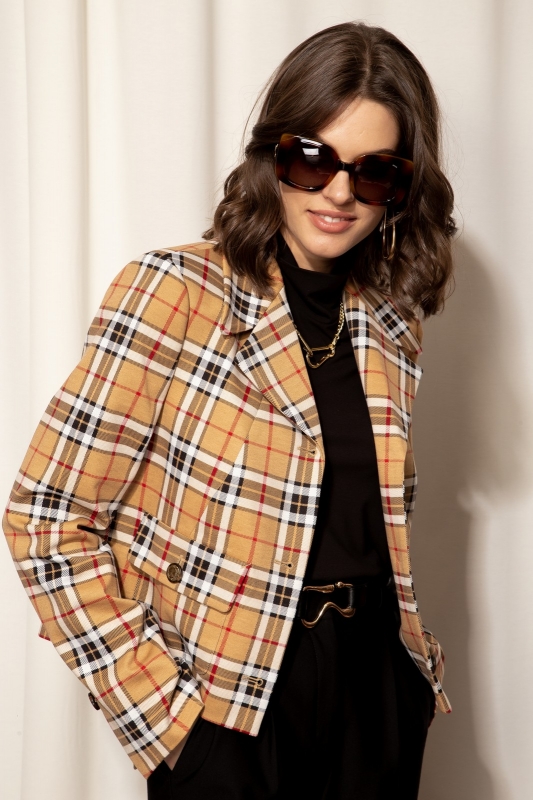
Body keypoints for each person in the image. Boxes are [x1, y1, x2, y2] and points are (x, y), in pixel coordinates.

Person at [3, 21, 456, 800]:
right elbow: (47, 519)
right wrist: (167, 719)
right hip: (233, 704)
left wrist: (406, 690)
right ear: (272, 154)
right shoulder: (175, 292)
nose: (338, 193)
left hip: (374, 692)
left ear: (402, 187)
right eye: (312, 159)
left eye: (373, 172)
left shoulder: (391, 322)